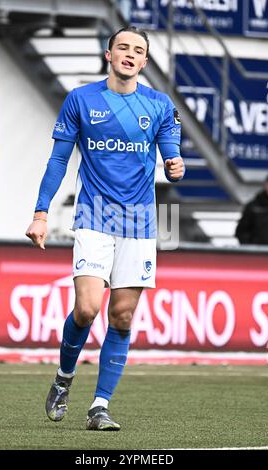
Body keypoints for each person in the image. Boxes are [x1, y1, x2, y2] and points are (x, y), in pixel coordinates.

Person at [25, 26, 185, 431]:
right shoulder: (81, 99)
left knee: (123, 316)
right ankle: (63, 378)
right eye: (123, 47)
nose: (130, 55)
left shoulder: (160, 105)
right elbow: (59, 161)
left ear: (145, 62)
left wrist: (175, 166)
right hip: (94, 217)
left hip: (140, 222)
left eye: (139, 51)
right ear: (108, 53)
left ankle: (99, 406)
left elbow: (172, 155)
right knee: (87, 308)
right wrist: (41, 213)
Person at [235, 171, 268, 245]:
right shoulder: (253, 207)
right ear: (266, 185)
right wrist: (251, 249)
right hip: (260, 254)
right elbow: (241, 231)